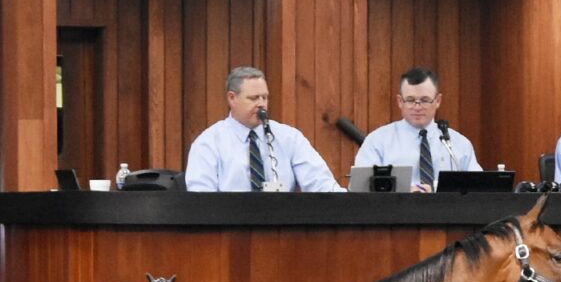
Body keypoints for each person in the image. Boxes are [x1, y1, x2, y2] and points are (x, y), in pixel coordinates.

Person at [185, 66, 345, 192]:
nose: (261, 104)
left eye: (265, 97)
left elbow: (320, 183)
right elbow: (200, 198)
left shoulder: (289, 138)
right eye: (253, 98)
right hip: (229, 228)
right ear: (232, 98)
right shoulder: (209, 143)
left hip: (283, 228)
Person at [353, 66, 481, 191]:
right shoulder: (378, 141)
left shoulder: (458, 144)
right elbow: (362, 190)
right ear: (400, 101)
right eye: (410, 100)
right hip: (396, 210)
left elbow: (479, 188)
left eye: (425, 100)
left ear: (438, 101)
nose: (417, 107)